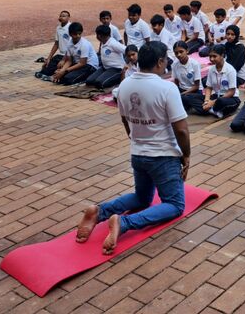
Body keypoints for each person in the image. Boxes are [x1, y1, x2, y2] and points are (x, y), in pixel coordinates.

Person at [75, 41, 190, 255]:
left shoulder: (125, 86)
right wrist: (186, 155)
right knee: (175, 205)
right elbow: (181, 129)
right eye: (166, 59)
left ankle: (99, 212)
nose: (167, 63)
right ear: (159, 62)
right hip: (162, 156)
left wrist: (136, 137)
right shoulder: (167, 88)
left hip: (138, 153)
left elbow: (124, 119)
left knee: (142, 197)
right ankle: (125, 223)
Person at [182, 45, 241, 118]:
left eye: (214, 56)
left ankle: (210, 109)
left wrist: (212, 102)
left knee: (220, 101)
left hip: (230, 98)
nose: (212, 59)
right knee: (186, 97)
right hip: (215, 96)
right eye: (210, 56)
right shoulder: (211, 69)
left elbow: (231, 92)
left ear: (222, 55)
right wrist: (207, 101)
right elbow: (209, 87)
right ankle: (212, 110)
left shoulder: (230, 70)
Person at [86, 25, 126, 90]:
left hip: (116, 69)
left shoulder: (113, 43)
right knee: (89, 81)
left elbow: (126, 50)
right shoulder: (103, 42)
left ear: (99, 36)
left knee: (100, 83)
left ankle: (118, 79)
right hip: (105, 68)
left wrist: (128, 64)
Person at [37, 10, 71, 79]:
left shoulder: (71, 28)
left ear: (69, 17)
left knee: (58, 70)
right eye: (60, 16)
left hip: (69, 56)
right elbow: (56, 44)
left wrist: (63, 60)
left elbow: (72, 46)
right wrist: (49, 58)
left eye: (64, 16)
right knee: (45, 69)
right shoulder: (58, 28)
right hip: (60, 55)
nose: (61, 17)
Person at [172, 41, 201, 110]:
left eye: (181, 52)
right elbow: (176, 82)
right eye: (176, 53)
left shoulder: (194, 64)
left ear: (187, 51)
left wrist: (182, 94)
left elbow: (196, 86)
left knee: (185, 99)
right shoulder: (174, 65)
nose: (179, 55)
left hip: (194, 91)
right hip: (182, 90)